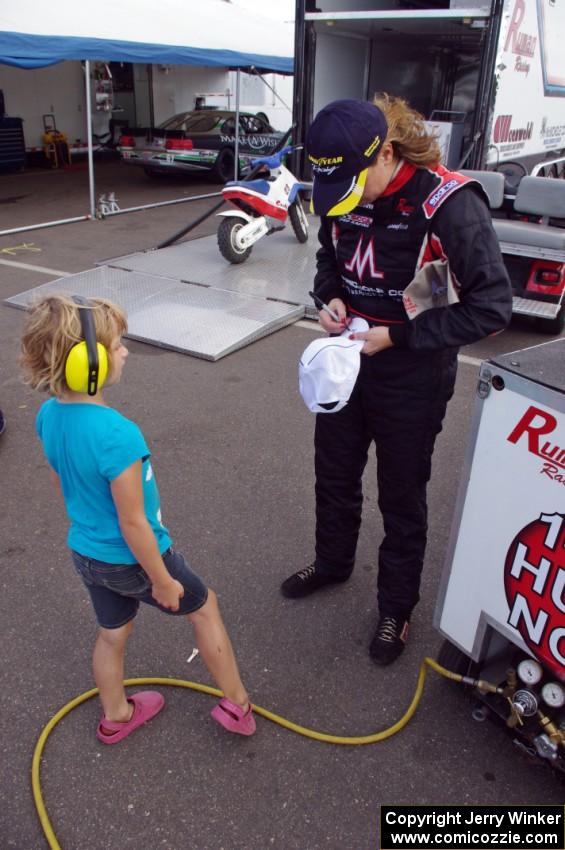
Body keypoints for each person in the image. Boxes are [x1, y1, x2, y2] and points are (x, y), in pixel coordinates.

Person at [281, 95, 512, 665]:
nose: (349, 201)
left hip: (411, 371)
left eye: (359, 185)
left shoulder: (450, 204)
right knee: (333, 474)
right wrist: (329, 298)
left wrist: (399, 337)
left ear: (386, 152)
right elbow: (327, 261)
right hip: (347, 361)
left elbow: (492, 308)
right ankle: (333, 563)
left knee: (401, 497)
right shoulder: (343, 187)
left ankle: (395, 608)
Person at [21, 295, 255, 742]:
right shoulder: (118, 435)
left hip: (86, 553)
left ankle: (117, 716)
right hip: (133, 560)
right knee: (205, 609)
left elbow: (62, 483)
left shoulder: (48, 414)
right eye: (117, 345)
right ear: (86, 362)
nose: (125, 352)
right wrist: (163, 581)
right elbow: (133, 523)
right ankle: (239, 705)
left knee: (112, 633)